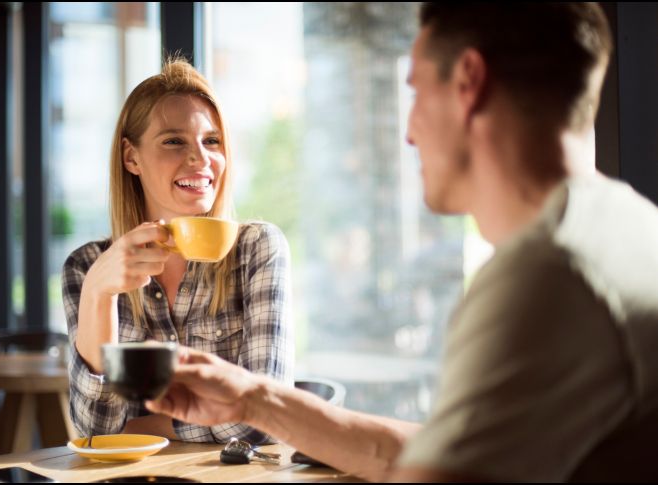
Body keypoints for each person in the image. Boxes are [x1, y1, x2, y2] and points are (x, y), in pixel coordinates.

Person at [146, 3, 658, 481]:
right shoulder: (628, 229)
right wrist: (252, 400)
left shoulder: (547, 275)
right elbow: (441, 452)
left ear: (468, 82)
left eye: (414, 90)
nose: (409, 132)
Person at [62, 60, 294, 443]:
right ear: (131, 157)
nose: (201, 159)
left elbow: (261, 419)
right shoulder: (87, 266)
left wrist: (141, 429)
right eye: (174, 141)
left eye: (212, 141)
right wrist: (97, 295)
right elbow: (96, 429)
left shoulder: (257, 249)